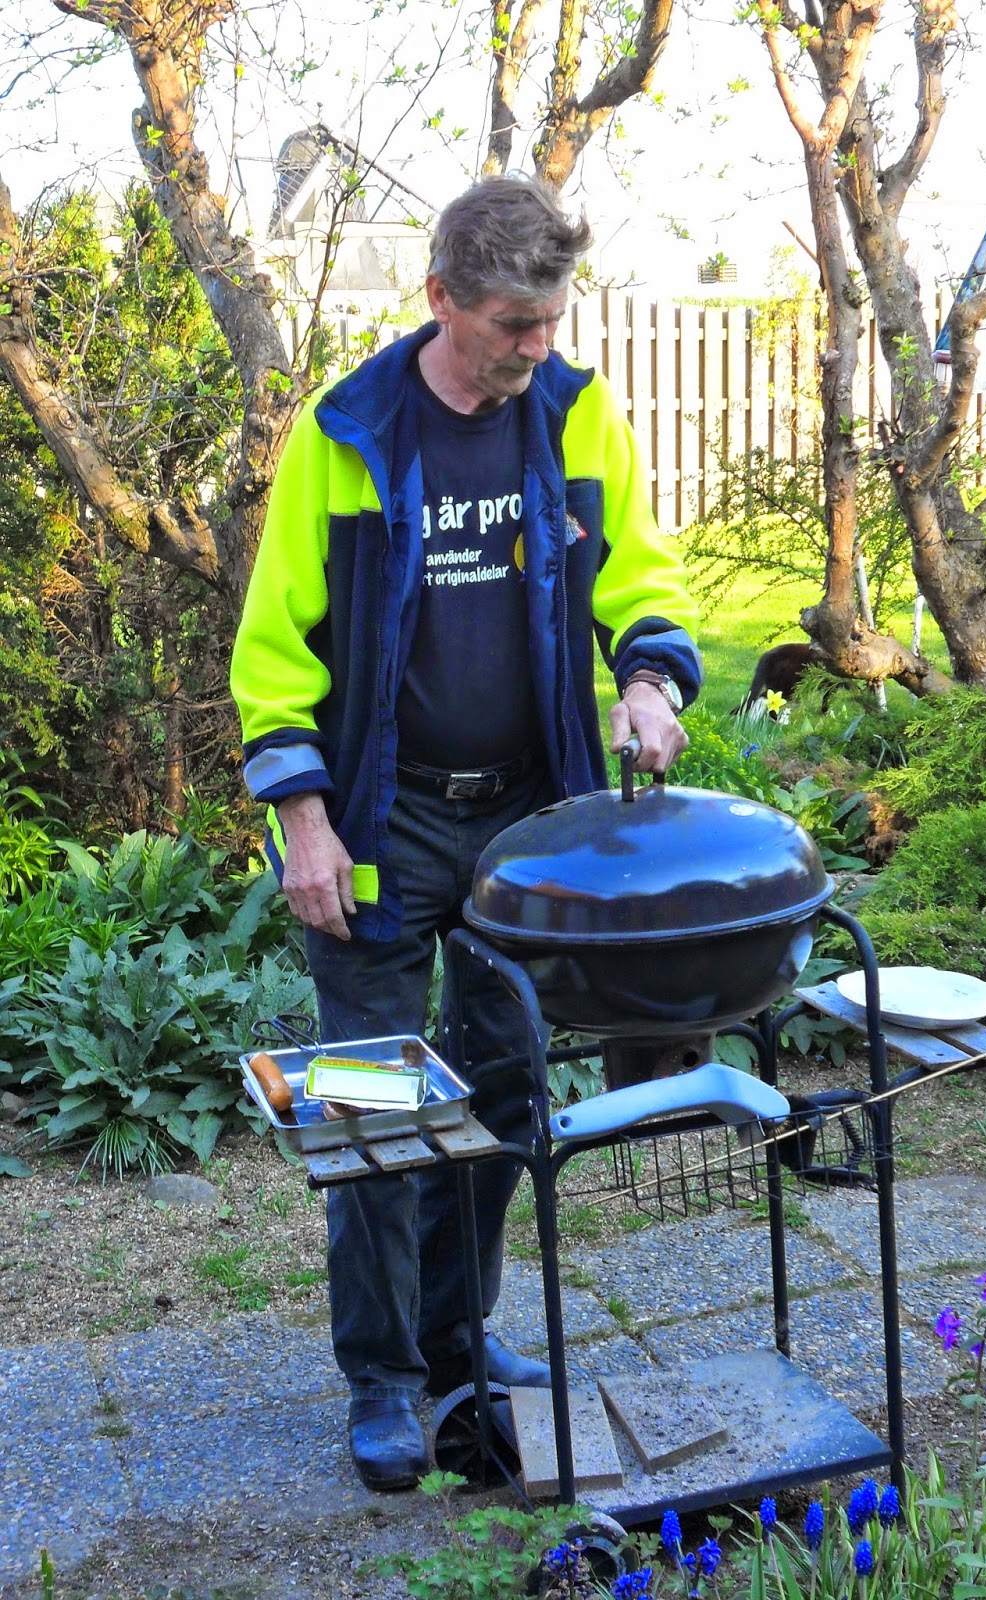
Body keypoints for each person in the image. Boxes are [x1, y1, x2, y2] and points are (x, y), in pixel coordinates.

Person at [230, 175, 702, 1492]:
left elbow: (638, 574)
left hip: (523, 826)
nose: (536, 347)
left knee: (502, 1092)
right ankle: (383, 1378)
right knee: (376, 1106)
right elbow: (274, 650)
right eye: (511, 324)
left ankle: (455, 1338)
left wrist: (647, 682)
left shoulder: (572, 413)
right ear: (441, 297)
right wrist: (304, 820)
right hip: (381, 823)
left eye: (550, 321)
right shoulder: (348, 433)